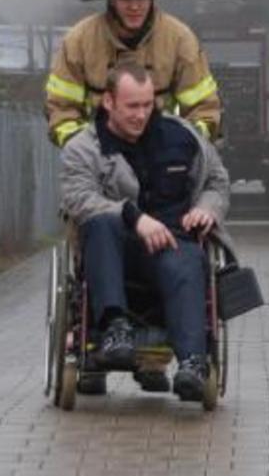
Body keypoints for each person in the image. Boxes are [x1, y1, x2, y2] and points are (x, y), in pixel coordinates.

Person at [59, 57, 230, 402]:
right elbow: (78, 199)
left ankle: (192, 363)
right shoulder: (83, 148)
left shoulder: (184, 136)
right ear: (109, 102)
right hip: (115, 247)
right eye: (132, 106)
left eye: (147, 105)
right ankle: (116, 329)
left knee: (188, 261)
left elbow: (217, 181)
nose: (140, 115)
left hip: (171, 241)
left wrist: (206, 208)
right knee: (100, 223)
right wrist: (134, 217)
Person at [45, 0, 221, 147]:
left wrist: (181, 146)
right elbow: (61, 110)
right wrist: (87, 149)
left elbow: (205, 111)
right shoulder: (79, 42)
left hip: (162, 154)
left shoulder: (180, 40)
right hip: (97, 156)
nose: (135, 6)